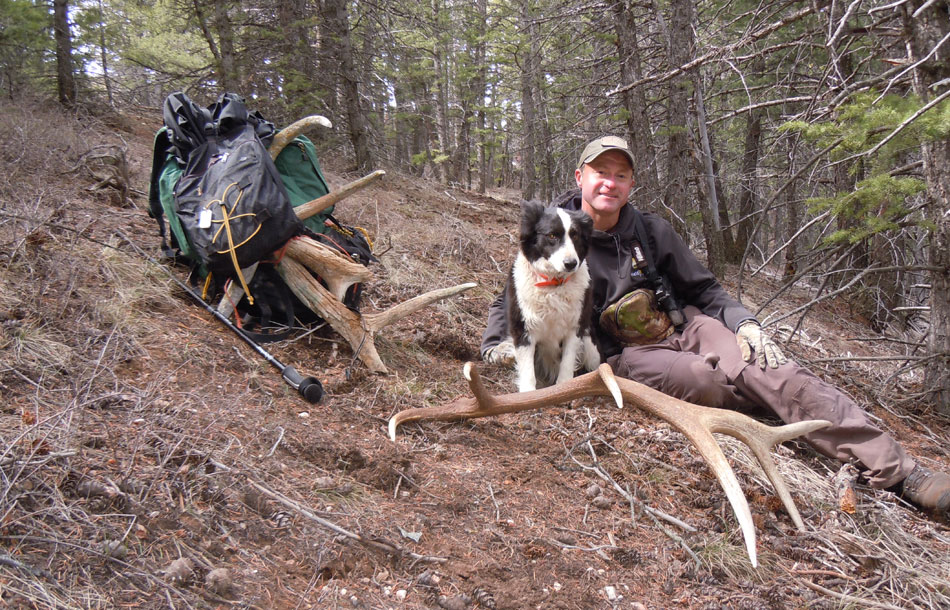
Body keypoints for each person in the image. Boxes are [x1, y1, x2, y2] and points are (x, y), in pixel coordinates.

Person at [481, 135, 950, 519]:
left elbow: (705, 289)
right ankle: (761, 401)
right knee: (702, 380)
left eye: (621, 175)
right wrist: (495, 344)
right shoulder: (550, 228)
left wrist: (745, 324)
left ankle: (900, 471)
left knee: (773, 369)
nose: (610, 183)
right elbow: (519, 292)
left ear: (631, 184)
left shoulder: (650, 230)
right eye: (601, 172)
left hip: (688, 326)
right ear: (580, 176)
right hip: (626, 353)